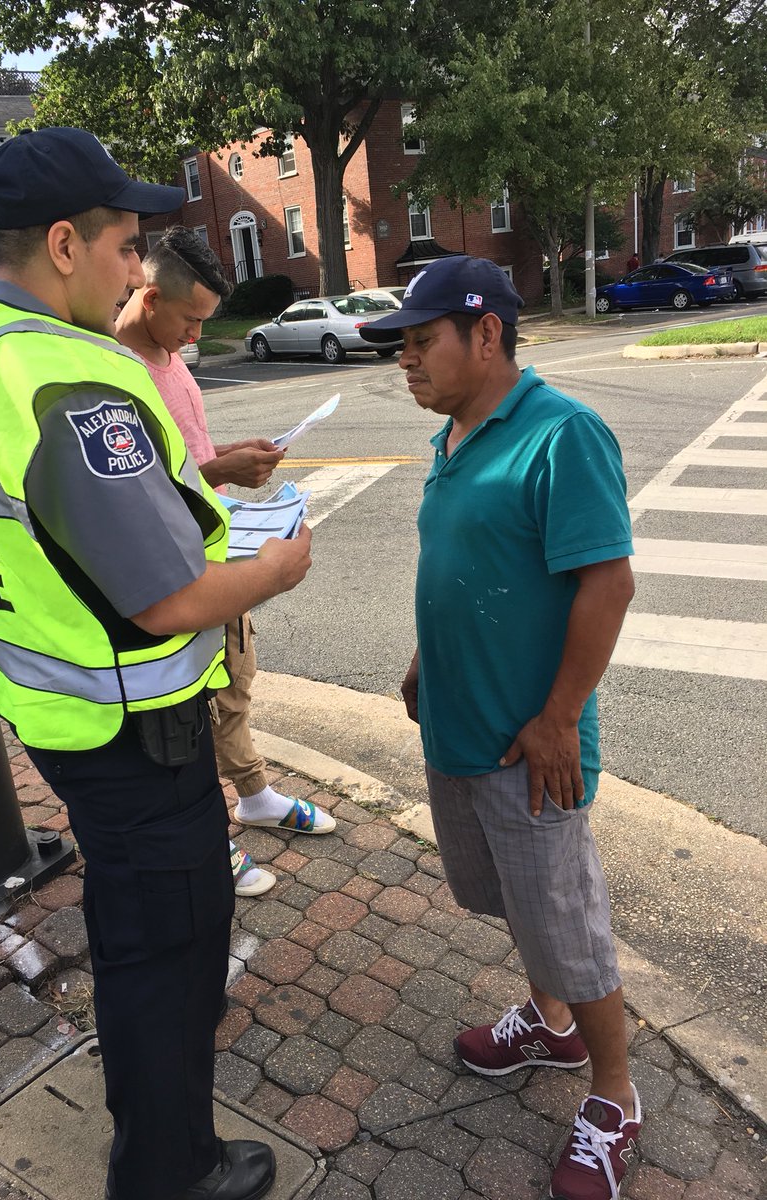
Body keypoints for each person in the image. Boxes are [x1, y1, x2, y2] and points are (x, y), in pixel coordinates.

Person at [0, 127, 314, 1200]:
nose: (136, 273)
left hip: (46, 708)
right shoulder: (69, 379)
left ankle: (149, 1119)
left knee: (133, 929)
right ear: (66, 244)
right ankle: (170, 1170)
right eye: (127, 247)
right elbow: (167, 599)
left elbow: (29, 523)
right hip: (136, 730)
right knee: (170, 954)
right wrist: (276, 568)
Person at [360, 257, 639, 1200]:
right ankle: (550, 1027)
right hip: (458, 727)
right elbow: (469, 566)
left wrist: (559, 718)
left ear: (487, 334)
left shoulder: (563, 435)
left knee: (568, 924)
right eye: (401, 346)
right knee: (516, 906)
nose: (406, 361)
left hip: (531, 749)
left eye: (421, 341)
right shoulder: (454, 435)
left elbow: (608, 583)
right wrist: (422, 660)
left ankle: (615, 1097)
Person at [116, 226, 335, 898]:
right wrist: (219, 472)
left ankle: (254, 795)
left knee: (235, 680)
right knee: (187, 712)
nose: (196, 337)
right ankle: (211, 834)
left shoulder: (168, 357)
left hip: (215, 548)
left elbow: (185, 457)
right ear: (150, 297)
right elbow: (140, 495)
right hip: (173, 576)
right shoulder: (115, 374)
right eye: (190, 320)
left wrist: (228, 457)